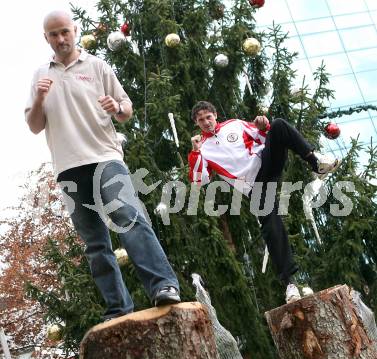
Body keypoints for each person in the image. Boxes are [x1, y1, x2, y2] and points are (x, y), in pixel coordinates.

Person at [25, 10, 180, 321]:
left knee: (129, 218)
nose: (61, 39)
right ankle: (118, 308)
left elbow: (126, 110)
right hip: (68, 167)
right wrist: (40, 99)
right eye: (54, 34)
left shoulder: (96, 66)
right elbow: (34, 125)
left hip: (105, 157)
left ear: (74, 30)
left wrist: (117, 106)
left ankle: (163, 285)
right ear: (46, 38)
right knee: (95, 243)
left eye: (65, 32)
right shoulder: (42, 74)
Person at [188, 101, 340, 303]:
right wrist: (196, 151)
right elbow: (199, 180)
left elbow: (263, 137)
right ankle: (290, 284)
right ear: (197, 123)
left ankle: (316, 164)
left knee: (278, 125)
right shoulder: (203, 149)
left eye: (208, 117)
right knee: (271, 226)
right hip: (254, 187)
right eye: (201, 120)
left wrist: (263, 126)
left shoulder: (234, 124)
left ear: (215, 115)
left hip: (266, 165)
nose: (206, 122)